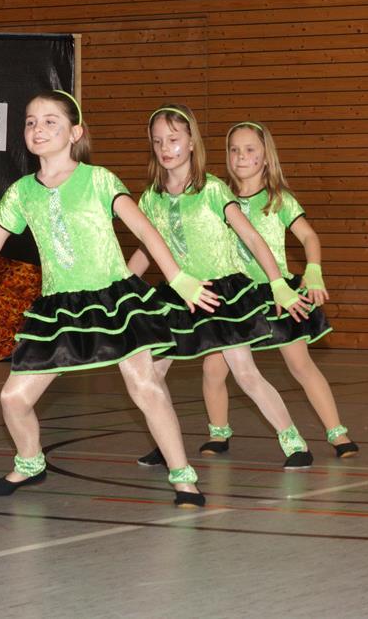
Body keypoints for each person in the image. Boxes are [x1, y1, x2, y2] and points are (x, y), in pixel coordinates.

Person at [0, 90, 221, 508]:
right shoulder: (21, 192)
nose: (38, 128)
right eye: (31, 121)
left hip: (113, 300)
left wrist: (177, 278)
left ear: (75, 133)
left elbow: (144, 230)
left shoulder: (99, 180)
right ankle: (30, 462)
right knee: (13, 398)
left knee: (145, 385)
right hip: (59, 308)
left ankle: (183, 476)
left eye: (51, 121)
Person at [130, 104, 314, 469]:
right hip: (179, 296)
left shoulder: (213, 189)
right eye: (158, 141)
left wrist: (277, 282)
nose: (166, 148)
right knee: (151, 373)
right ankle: (166, 443)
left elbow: (253, 239)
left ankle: (294, 441)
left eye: (174, 139)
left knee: (244, 372)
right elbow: (147, 250)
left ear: (192, 142)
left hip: (221, 295)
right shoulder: (150, 198)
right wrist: (118, 287)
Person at [201, 120, 358, 459]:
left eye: (250, 150)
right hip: (234, 295)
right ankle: (218, 432)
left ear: (266, 156)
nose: (241, 156)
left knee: (300, 364)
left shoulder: (278, 199)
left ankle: (337, 432)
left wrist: (313, 270)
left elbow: (309, 236)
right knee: (213, 367)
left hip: (276, 293)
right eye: (234, 150)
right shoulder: (218, 198)